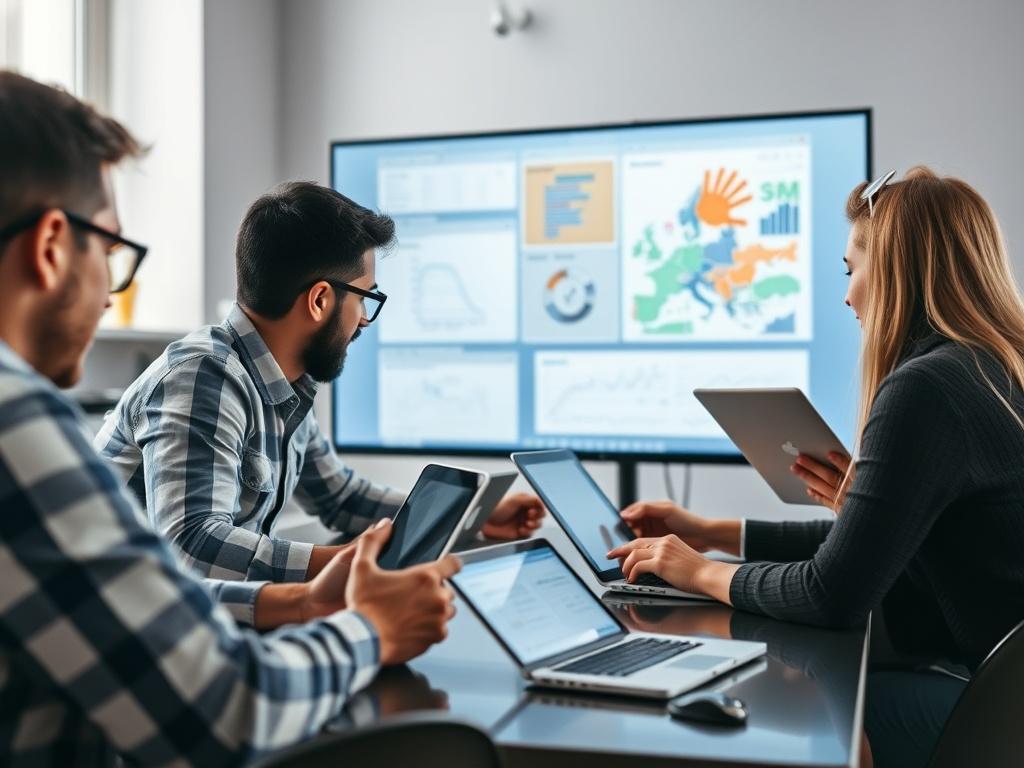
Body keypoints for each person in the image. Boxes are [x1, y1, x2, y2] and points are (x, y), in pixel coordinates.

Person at [0, 70, 458, 766]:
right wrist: (367, 627)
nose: (106, 294)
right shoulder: (20, 424)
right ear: (54, 246)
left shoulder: (286, 386)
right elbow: (224, 710)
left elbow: (333, 494)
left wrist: (307, 602)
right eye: (112, 251)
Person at [608, 167, 1024, 767]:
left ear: (896, 270)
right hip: (998, 693)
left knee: (775, 711)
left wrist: (699, 573)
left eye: (851, 271)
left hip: (994, 716)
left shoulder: (927, 389)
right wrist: (711, 533)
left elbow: (832, 593)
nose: (847, 295)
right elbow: (864, 552)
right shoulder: (991, 368)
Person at [95, 181, 543, 593]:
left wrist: (465, 515)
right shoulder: (203, 377)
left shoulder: (283, 379)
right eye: (365, 299)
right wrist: (344, 564)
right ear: (320, 300)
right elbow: (192, 545)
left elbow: (340, 496)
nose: (365, 320)